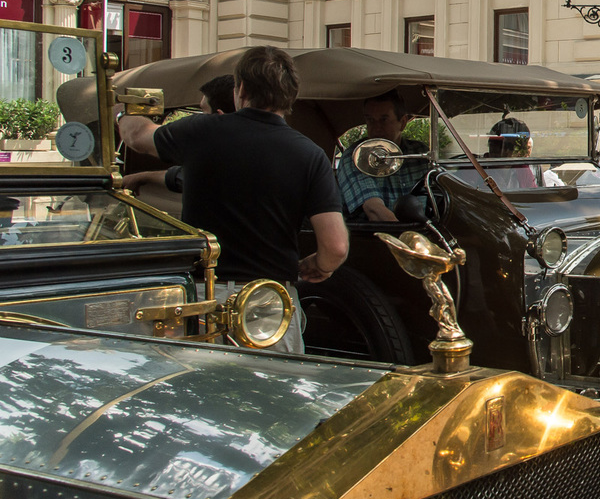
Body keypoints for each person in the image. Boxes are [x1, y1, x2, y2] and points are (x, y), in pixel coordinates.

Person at [115, 46, 349, 353]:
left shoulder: (202, 131)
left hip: (204, 296)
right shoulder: (311, 155)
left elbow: (136, 137)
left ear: (240, 89)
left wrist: (124, 112)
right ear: (290, 95)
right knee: (275, 392)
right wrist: (320, 266)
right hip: (269, 301)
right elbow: (335, 247)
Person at [122, 75, 237, 196]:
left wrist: (120, 114)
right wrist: (144, 177)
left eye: (203, 111)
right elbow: (187, 177)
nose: (200, 116)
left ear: (219, 116)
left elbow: (137, 136)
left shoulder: (210, 137)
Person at [336, 90, 432, 220]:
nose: (376, 128)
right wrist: (406, 237)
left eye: (384, 120)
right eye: (370, 120)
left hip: (422, 232)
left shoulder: (421, 153)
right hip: (370, 235)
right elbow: (374, 210)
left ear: (403, 123)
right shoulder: (356, 156)